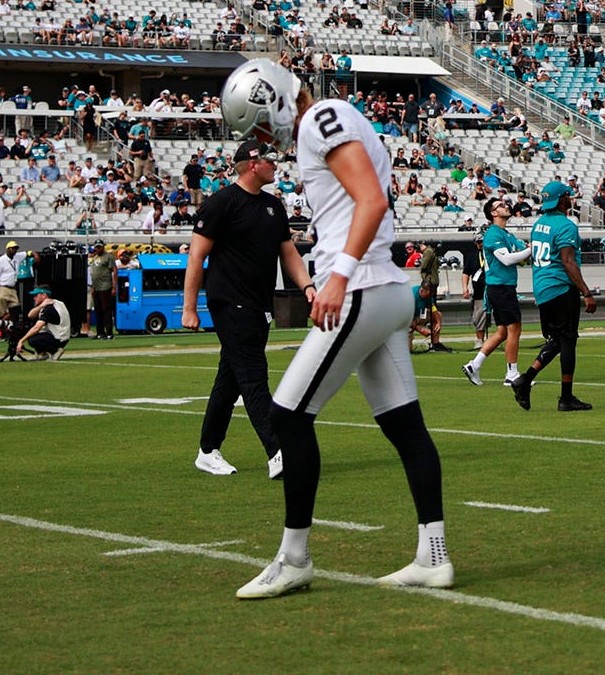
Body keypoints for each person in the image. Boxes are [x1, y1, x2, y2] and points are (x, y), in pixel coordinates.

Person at [221, 59, 453, 598]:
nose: (260, 140)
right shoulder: (327, 119)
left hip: (363, 287)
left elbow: (370, 199)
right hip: (384, 287)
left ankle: (294, 558)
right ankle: (433, 555)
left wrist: (338, 277)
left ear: (273, 101)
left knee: (287, 416)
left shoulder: (320, 117)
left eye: (256, 125)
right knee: (404, 426)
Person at [182, 139, 315, 479]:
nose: (276, 166)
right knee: (254, 379)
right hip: (230, 302)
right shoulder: (222, 203)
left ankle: (208, 450)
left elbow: (288, 253)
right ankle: (278, 452)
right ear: (253, 164)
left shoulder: (273, 205)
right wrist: (189, 307)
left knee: (229, 381)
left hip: (257, 305)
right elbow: (196, 256)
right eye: (270, 160)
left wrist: (309, 287)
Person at [510, 181, 597, 411]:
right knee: (568, 341)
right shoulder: (566, 226)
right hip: (560, 287)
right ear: (561, 200)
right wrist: (586, 292)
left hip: (542, 288)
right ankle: (565, 398)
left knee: (557, 341)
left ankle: (524, 381)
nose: (571, 199)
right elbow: (568, 261)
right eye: (568, 196)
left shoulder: (538, 224)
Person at [462, 199, 532, 387]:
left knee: (502, 332)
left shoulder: (505, 234)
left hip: (502, 286)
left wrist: (525, 253)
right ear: (493, 213)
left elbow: (520, 255)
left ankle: (474, 366)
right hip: (500, 287)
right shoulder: (493, 234)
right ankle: (512, 374)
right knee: (514, 328)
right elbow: (508, 259)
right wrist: (529, 250)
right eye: (500, 205)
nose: (506, 206)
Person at [15, 286, 70, 360]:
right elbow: (30, 315)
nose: (34, 298)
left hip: (58, 339)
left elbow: (37, 328)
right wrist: (41, 306)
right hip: (63, 337)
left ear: (44, 295)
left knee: (32, 338)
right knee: (32, 330)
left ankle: (55, 351)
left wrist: (21, 341)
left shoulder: (49, 309)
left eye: (36, 295)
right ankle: (43, 353)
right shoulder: (58, 303)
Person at [0, 240, 31, 324]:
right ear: (7, 249)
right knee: (0, 311)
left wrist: (34, 254)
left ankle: (3, 324)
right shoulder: (0, 260)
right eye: (12, 248)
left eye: (15, 248)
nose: (14, 250)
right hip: (3, 287)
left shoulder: (17, 256)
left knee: (15, 310)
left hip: (12, 288)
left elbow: (28, 252)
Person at [89, 239, 116, 339]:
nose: (98, 248)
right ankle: (100, 332)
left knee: (106, 310)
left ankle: (109, 332)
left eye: (99, 247)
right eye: (96, 247)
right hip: (96, 287)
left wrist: (114, 286)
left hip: (105, 286)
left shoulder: (108, 257)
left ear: (103, 247)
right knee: (98, 310)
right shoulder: (95, 257)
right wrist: (92, 286)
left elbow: (114, 271)